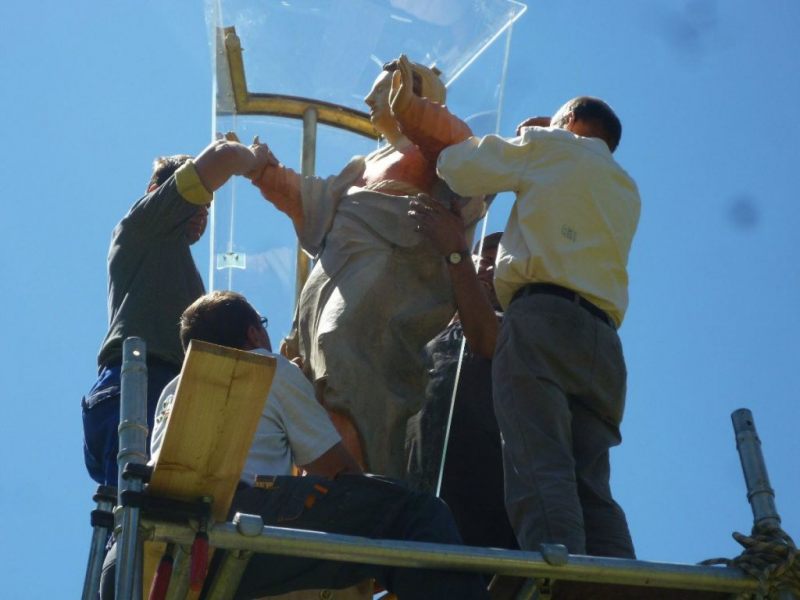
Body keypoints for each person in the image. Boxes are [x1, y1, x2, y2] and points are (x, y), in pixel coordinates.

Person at [99, 290, 489, 600]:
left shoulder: (171, 393)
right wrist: (375, 556)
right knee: (412, 514)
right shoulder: (264, 365)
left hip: (130, 557)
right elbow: (338, 471)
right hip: (228, 520)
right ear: (253, 333)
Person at [250, 55, 487, 477]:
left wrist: (412, 110)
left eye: (380, 89)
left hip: (391, 274)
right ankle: (325, 489)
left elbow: (462, 158)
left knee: (340, 347)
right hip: (331, 276)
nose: (366, 98)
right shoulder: (364, 164)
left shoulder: (442, 152)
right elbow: (315, 200)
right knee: (309, 374)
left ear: (410, 91)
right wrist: (265, 172)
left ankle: (359, 488)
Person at [436, 97, 640, 558]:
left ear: (568, 121)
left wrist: (527, 137)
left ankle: (557, 580)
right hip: (603, 340)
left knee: (538, 460)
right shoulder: (626, 187)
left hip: (541, 320)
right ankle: (619, 583)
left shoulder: (554, 146)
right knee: (591, 482)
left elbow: (459, 168)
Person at [81, 135, 273, 486]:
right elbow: (224, 156)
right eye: (197, 203)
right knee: (136, 508)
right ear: (158, 189)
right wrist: (256, 160)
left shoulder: (177, 267)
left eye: (207, 209)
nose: (203, 214)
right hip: (139, 384)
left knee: (157, 515)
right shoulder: (144, 225)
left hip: (164, 391)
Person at [404, 221, 516, 551]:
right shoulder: (425, 336)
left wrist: (457, 256)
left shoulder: (515, 327)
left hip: (487, 494)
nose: (489, 266)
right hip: (422, 495)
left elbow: (488, 338)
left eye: (503, 260)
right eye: (484, 256)